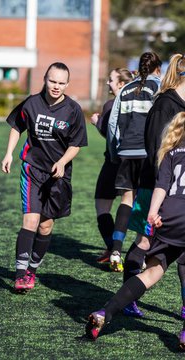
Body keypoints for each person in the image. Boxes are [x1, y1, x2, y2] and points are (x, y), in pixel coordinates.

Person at [84, 111, 185, 350]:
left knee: (151, 273)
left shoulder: (170, 153)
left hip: (168, 216)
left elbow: (162, 186)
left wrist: (153, 213)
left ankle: (105, 312)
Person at [1, 62, 88, 293]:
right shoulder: (31, 103)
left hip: (57, 175)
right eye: (52, 81)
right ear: (45, 79)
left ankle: (32, 269)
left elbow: (76, 143)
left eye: (61, 83)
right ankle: (20, 275)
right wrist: (9, 153)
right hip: (32, 169)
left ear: (67, 84)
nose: (56, 86)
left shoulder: (73, 110)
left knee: (46, 226)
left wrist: (62, 161)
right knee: (30, 220)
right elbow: (17, 126)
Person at [123, 53, 185, 317]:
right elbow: (155, 151)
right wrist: (166, 189)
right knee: (145, 242)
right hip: (156, 187)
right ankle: (126, 297)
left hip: (178, 194)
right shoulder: (164, 105)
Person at [106, 52, 162, 273]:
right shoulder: (158, 87)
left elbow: (113, 123)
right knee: (148, 202)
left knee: (126, 201)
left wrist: (113, 152)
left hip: (126, 152)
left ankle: (116, 250)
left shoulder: (127, 88)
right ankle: (142, 253)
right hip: (148, 153)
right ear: (158, 68)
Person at [90, 68, 133, 265]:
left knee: (102, 205)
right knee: (128, 202)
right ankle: (118, 250)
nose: (108, 83)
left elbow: (110, 137)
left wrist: (97, 123)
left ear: (121, 84)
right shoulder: (137, 104)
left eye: (111, 80)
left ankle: (112, 249)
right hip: (132, 162)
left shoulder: (110, 104)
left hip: (113, 162)